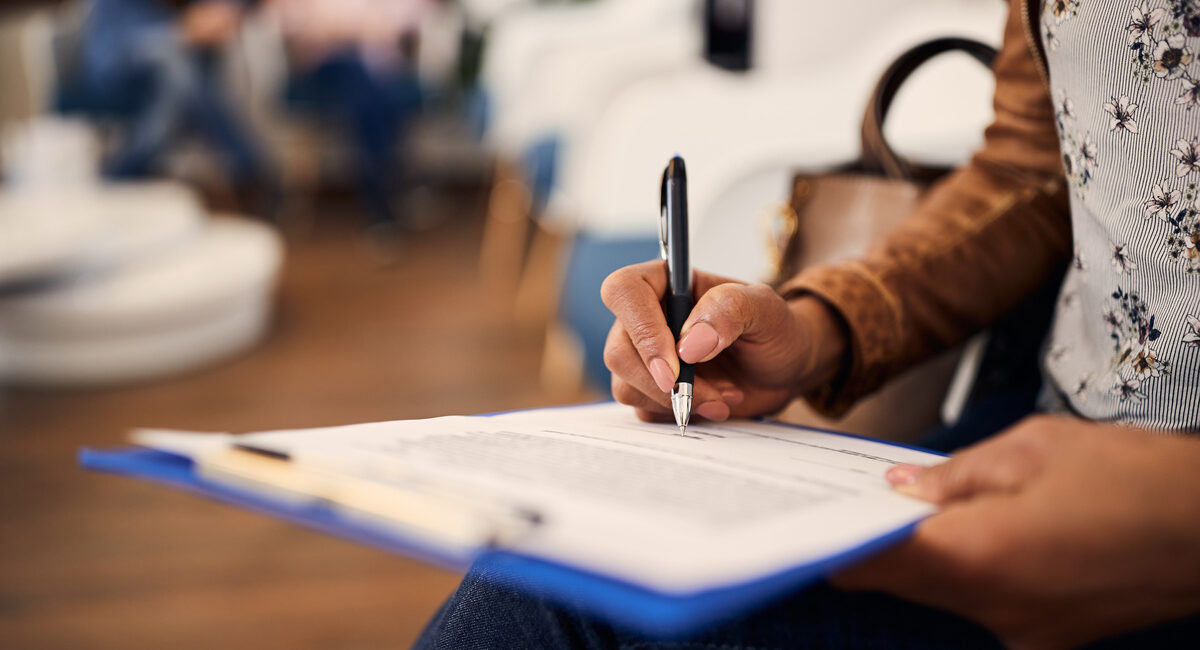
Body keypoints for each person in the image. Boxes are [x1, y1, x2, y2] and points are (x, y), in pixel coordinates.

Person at [416, 0, 1200, 647]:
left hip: (1129, 534)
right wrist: (819, 326)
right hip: (1044, 440)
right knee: (546, 588)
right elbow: (1033, 167)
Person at [77, 0, 278, 214]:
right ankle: (253, 172)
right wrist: (183, 31)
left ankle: (119, 177)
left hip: (170, 74)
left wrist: (224, 13)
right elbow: (121, 45)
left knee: (184, 80)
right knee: (180, 73)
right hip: (116, 60)